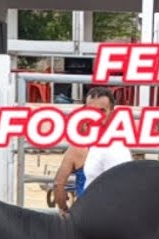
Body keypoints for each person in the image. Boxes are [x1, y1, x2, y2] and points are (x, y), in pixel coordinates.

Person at [52, 87, 132, 215]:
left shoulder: (77, 148)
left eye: (101, 111)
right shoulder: (120, 147)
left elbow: (58, 185)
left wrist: (64, 209)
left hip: (84, 214)